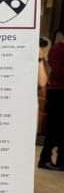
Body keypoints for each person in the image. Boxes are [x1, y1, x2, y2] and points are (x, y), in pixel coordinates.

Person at [39, 29, 64, 170]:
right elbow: (57, 73)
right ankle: (45, 159)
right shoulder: (58, 49)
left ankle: (60, 161)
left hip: (58, 91)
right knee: (53, 127)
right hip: (58, 92)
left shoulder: (57, 49)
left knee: (59, 128)